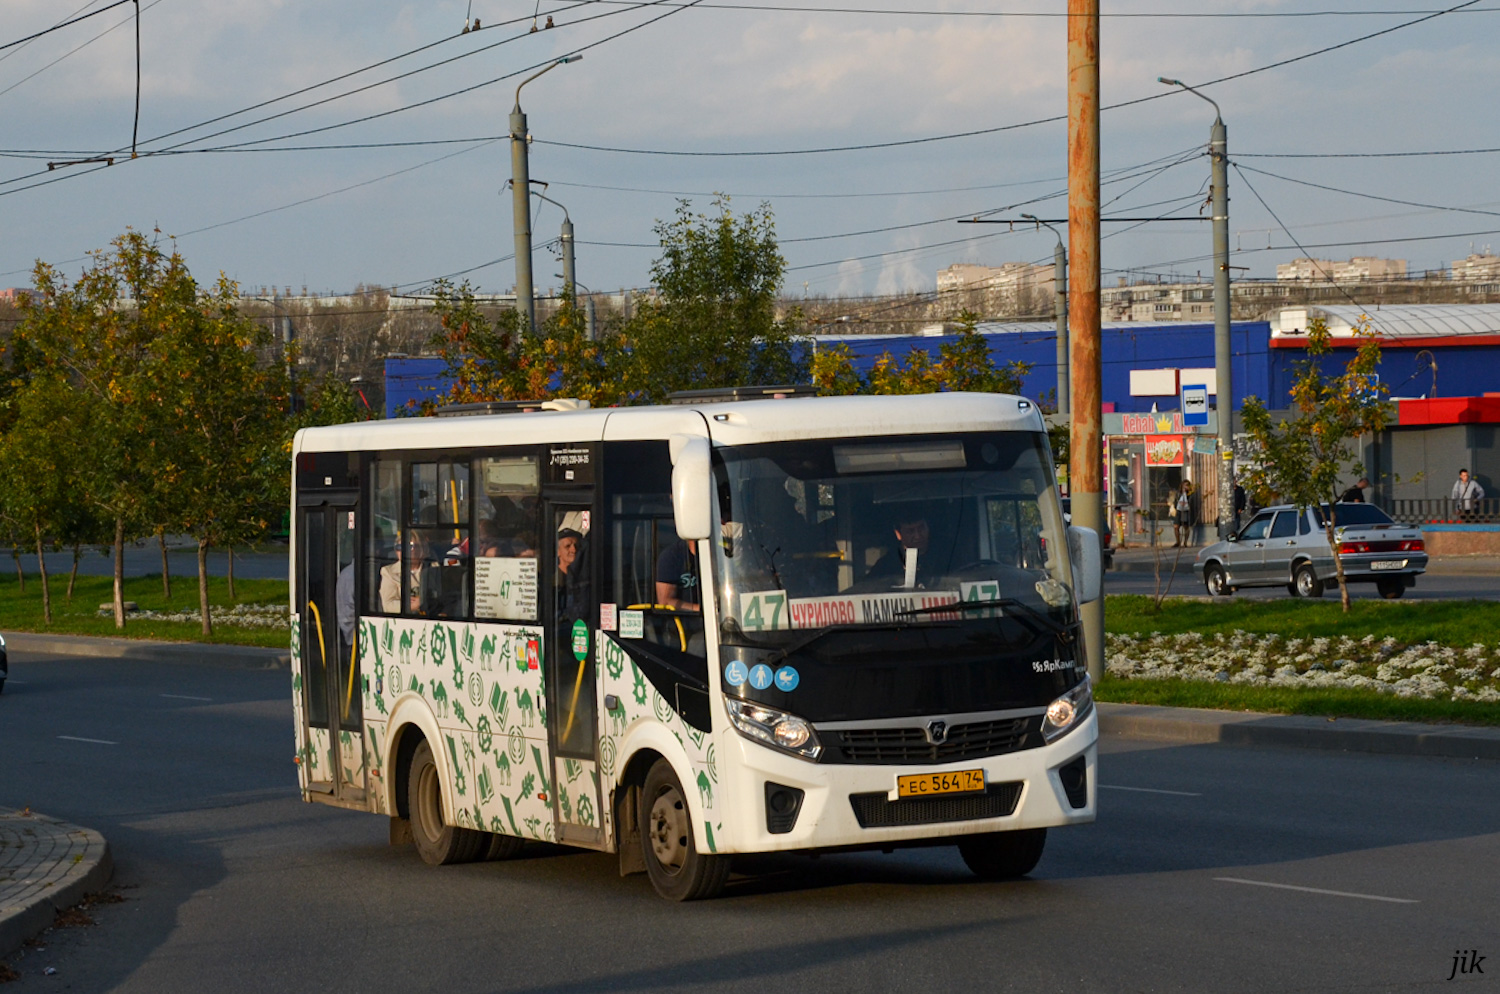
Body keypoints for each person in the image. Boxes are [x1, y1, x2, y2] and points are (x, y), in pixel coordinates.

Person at [865, 515, 934, 588]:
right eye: (910, 531)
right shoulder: (885, 565)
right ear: (898, 534)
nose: (917, 536)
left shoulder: (943, 559)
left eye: (921, 529)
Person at [379, 532, 430, 614]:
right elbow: (388, 606)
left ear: (421, 548)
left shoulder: (434, 567)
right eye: (399, 547)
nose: (403, 551)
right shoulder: (388, 572)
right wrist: (418, 603)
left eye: (409, 546)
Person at [655, 537, 701, 611]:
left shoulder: (719, 555)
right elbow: (665, 602)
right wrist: (704, 609)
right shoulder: (671, 556)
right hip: (684, 620)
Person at [1173, 482, 1194, 548]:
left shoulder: (1190, 494)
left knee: (1186, 527)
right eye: (1184, 485)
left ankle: (1185, 542)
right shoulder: (1178, 494)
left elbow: (1191, 503)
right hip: (1178, 511)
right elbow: (1175, 501)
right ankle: (1178, 542)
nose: (1185, 487)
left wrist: (1187, 495)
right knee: (1176, 526)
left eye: (1187, 485)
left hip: (1186, 511)